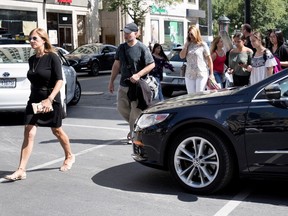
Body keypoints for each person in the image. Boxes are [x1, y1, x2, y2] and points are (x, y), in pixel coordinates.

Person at [4, 28, 75, 181]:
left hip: (50, 99)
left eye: (34, 38)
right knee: (28, 132)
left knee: (56, 131)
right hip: (34, 99)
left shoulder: (53, 57)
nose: (31, 41)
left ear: (43, 40)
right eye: (30, 38)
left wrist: (50, 99)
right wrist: (33, 99)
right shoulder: (32, 59)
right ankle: (21, 170)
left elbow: (60, 80)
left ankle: (69, 156)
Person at [108, 22, 155, 142]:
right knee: (121, 107)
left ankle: (133, 134)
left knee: (135, 110)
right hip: (124, 85)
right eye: (125, 33)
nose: (126, 35)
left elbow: (151, 64)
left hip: (138, 87)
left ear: (136, 33)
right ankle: (136, 127)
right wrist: (111, 81)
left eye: (129, 33)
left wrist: (138, 75)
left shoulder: (142, 48)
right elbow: (116, 64)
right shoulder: (121, 48)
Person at [179, 25, 214, 93]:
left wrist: (211, 74)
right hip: (189, 73)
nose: (190, 36)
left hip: (201, 72)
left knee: (199, 94)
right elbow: (181, 56)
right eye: (189, 34)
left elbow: (209, 60)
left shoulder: (203, 45)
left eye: (192, 34)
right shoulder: (188, 45)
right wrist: (186, 46)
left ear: (196, 34)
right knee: (191, 95)